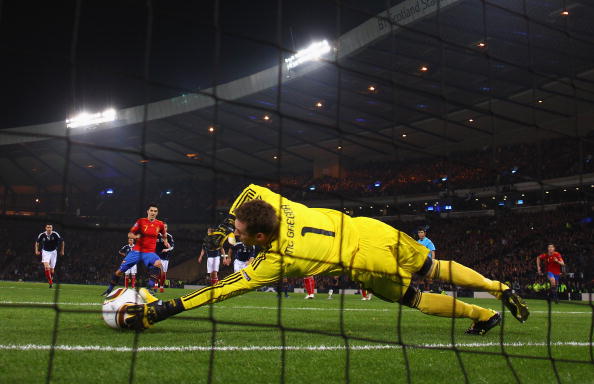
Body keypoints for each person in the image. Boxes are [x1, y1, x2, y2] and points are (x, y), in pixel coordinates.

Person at [125, 184, 529, 335]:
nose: (235, 227)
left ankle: (481, 314)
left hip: (364, 261)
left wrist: (165, 310)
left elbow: (224, 290)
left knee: (417, 299)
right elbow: (251, 193)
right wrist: (236, 228)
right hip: (370, 228)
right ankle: (499, 287)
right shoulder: (279, 203)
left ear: (262, 237)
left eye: (242, 229)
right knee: (435, 267)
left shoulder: (278, 260)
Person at [102, 203, 169, 296]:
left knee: (158, 265)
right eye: (151, 210)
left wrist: (165, 241)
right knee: (119, 271)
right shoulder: (141, 221)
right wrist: (135, 236)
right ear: (148, 211)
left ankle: (149, 288)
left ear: (157, 213)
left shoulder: (160, 224)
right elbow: (130, 234)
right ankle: (109, 290)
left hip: (149, 252)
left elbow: (164, 234)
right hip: (137, 251)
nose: (153, 212)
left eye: (155, 211)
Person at [34, 224, 64, 288]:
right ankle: (51, 283)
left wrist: (62, 251)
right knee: (47, 267)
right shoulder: (42, 235)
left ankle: (51, 278)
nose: (49, 228)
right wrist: (36, 250)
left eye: (50, 227)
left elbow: (62, 241)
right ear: (46, 228)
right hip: (45, 252)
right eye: (48, 227)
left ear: (52, 228)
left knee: (52, 270)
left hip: (53, 252)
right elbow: (37, 242)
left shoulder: (55, 234)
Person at [156, 223, 174, 293]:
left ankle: (161, 286)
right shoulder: (156, 235)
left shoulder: (169, 236)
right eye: (163, 227)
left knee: (163, 272)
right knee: (156, 271)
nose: (164, 229)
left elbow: (172, 247)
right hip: (156, 256)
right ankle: (155, 285)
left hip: (165, 257)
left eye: (165, 227)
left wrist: (167, 248)